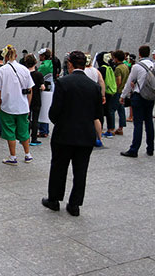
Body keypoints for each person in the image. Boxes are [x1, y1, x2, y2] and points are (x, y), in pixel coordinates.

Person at [42, 51, 103, 216]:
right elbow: (98, 113)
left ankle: (54, 200)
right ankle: (75, 204)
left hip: (64, 134)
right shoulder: (94, 86)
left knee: (58, 168)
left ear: (70, 64)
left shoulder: (63, 83)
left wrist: (61, 122)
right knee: (81, 171)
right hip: (85, 134)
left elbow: (54, 112)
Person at [0, 45, 35, 165]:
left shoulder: (1, 71)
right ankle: (27, 154)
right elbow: (30, 89)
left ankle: (13, 156)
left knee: (10, 131)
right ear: (16, 56)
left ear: (5, 57)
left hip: (8, 105)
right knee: (24, 131)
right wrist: (28, 104)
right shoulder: (25, 70)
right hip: (23, 106)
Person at [120, 45, 155, 158]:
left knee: (138, 123)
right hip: (150, 96)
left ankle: (134, 149)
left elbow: (129, 82)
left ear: (139, 54)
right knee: (149, 121)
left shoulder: (137, 66)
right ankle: (150, 148)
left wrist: (123, 96)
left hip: (139, 96)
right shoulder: (153, 65)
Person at [84, 54, 105, 146]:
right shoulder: (96, 71)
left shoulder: (82, 71)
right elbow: (101, 82)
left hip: (84, 95)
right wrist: (103, 95)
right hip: (95, 94)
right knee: (96, 118)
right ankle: (99, 138)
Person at [25, 54, 45, 146]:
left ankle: (26, 137)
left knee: (27, 118)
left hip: (26, 98)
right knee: (35, 118)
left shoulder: (25, 74)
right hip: (36, 98)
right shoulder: (38, 74)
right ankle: (34, 138)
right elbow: (43, 87)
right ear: (35, 62)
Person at [97, 52, 117, 138]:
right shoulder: (110, 67)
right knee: (109, 111)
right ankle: (110, 130)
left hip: (104, 92)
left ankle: (100, 130)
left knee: (101, 112)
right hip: (110, 91)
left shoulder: (102, 69)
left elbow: (100, 82)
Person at [111, 50, 129, 136]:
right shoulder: (125, 66)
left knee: (112, 109)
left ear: (116, 58)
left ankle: (112, 128)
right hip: (123, 91)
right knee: (121, 110)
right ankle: (121, 127)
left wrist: (114, 91)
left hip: (118, 91)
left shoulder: (118, 68)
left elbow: (118, 81)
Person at [37, 48, 54, 138]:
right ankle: (45, 130)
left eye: (40, 55)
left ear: (43, 56)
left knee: (43, 108)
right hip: (50, 87)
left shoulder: (44, 66)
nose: (39, 56)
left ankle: (43, 130)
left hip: (44, 88)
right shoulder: (50, 63)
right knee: (46, 108)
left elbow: (38, 75)